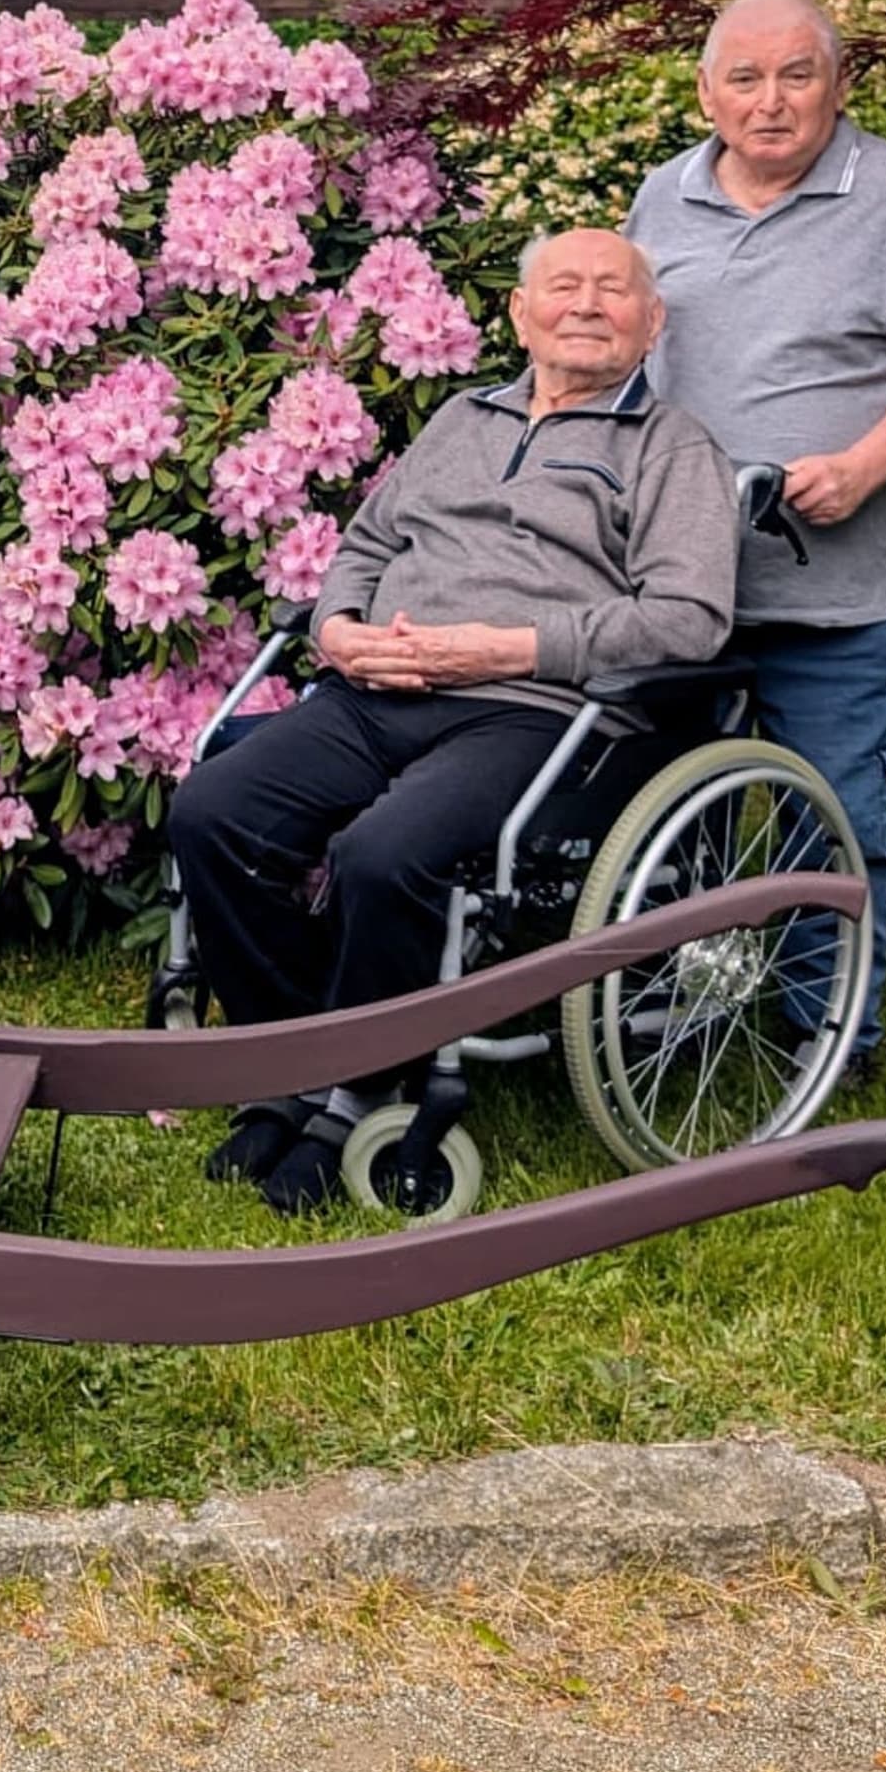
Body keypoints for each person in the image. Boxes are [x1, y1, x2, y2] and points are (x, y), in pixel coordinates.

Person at [164, 228, 736, 1216]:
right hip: (381, 684)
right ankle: (285, 1065)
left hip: (534, 710)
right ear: (520, 315)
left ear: (654, 323)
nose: (587, 305)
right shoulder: (462, 419)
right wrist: (339, 630)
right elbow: (371, 541)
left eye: (614, 289)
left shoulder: (672, 447)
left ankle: (352, 1094)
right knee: (214, 812)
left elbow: (689, 619)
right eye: (564, 286)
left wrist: (513, 647)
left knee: (388, 854)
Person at [624, 0, 886, 1065]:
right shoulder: (663, 198)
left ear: (841, 83)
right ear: (706, 92)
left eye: (798, 75)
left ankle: (823, 1036)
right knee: (664, 814)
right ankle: (664, 1023)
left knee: (834, 823)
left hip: (841, 590)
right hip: (685, 582)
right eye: (745, 77)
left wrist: (867, 465)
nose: (772, 101)